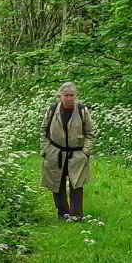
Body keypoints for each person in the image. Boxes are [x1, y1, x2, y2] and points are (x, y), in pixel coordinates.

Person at [40, 82, 95, 221]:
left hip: (77, 153)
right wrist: (46, 150)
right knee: (56, 184)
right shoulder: (52, 109)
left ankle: (76, 214)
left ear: (76, 96)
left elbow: (90, 133)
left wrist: (85, 152)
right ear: (60, 96)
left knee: (77, 184)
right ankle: (62, 213)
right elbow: (43, 131)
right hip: (55, 152)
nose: (69, 98)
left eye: (72, 95)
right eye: (66, 95)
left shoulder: (82, 110)